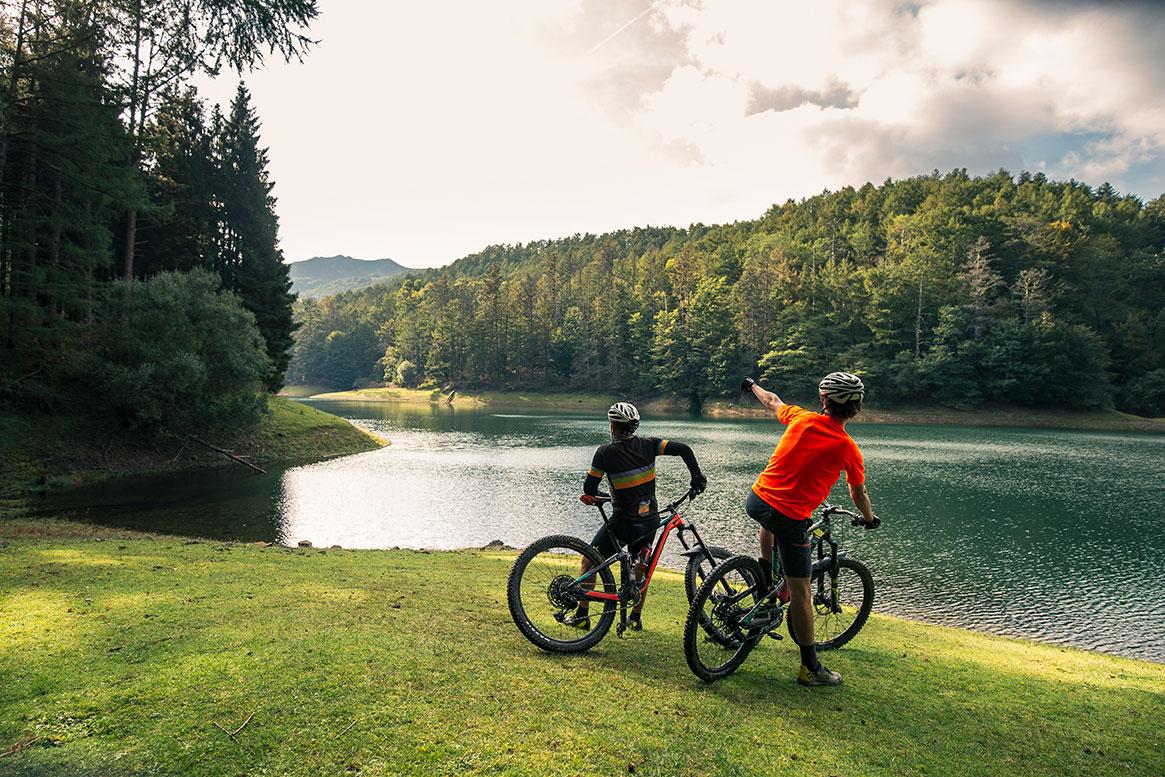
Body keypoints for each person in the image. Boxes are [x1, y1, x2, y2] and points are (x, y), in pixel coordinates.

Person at [740, 372, 879, 687]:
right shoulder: (847, 448)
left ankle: (765, 582)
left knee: (769, 521)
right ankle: (810, 668)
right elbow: (859, 494)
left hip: (757, 499)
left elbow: (772, 400)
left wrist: (751, 386)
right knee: (802, 592)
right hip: (790, 516)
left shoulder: (800, 418)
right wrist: (869, 518)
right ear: (856, 408)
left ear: (823, 400)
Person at [573, 402, 707, 631]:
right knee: (640, 566)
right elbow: (684, 449)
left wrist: (604, 496)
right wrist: (697, 477)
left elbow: (589, 489)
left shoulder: (604, 453)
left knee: (590, 559)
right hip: (648, 522)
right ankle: (635, 618)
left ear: (613, 427)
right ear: (633, 426)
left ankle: (582, 614)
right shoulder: (650, 445)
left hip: (622, 522)